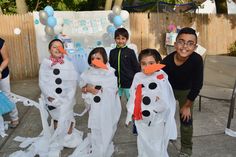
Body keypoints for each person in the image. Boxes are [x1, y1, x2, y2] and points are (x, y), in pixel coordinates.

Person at [126, 48, 177, 157]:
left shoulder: (161, 78)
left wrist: (157, 107)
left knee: (156, 144)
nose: (147, 67)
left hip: (157, 120)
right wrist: (130, 113)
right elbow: (133, 96)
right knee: (143, 143)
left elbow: (166, 101)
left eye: (151, 63)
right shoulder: (138, 77)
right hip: (141, 120)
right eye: (143, 64)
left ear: (158, 63)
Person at [161, 27, 203, 157]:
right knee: (162, 117)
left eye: (190, 43)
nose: (185, 46)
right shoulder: (166, 61)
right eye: (181, 42)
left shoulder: (196, 60)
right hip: (169, 90)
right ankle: (160, 141)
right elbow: (159, 83)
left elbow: (197, 84)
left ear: (195, 47)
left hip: (187, 92)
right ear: (175, 44)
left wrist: (187, 106)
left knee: (186, 120)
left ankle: (186, 148)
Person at [71, 47, 121, 157]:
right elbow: (82, 87)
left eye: (98, 58)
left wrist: (102, 91)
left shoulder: (110, 73)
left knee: (106, 126)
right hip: (93, 106)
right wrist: (88, 89)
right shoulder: (87, 73)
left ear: (104, 59)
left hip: (107, 107)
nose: (95, 61)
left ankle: (105, 144)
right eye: (93, 58)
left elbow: (113, 90)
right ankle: (97, 146)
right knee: (96, 127)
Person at [39, 39, 82, 149]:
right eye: (54, 47)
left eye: (60, 47)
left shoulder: (68, 65)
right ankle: (59, 137)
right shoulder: (45, 64)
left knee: (69, 118)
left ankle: (68, 137)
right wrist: (50, 97)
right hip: (52, 98)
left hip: (66, 99)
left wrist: (68, 98)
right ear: (49, 50)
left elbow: (73, 83)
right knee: (57, 118)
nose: (57, 49)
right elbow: (42, 82)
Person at [109, 28, 140, 101]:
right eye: (118, 38)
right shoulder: (112, 52)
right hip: (116, 82)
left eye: (123, 38)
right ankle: (116, 111)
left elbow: (136, 66)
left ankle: (130, 112)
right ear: (115, 39)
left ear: (127, 39)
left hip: (128, 82)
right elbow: (110, 66)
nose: (120, 41)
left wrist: (137, 79)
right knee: (116, 100)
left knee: (130, 100)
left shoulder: (130, 52)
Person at [0, 37, 19, 135]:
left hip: (2, 73)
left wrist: (0, 70)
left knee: (6, 95)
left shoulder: (0, 42)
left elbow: (6, 59)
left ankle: (14, 118)